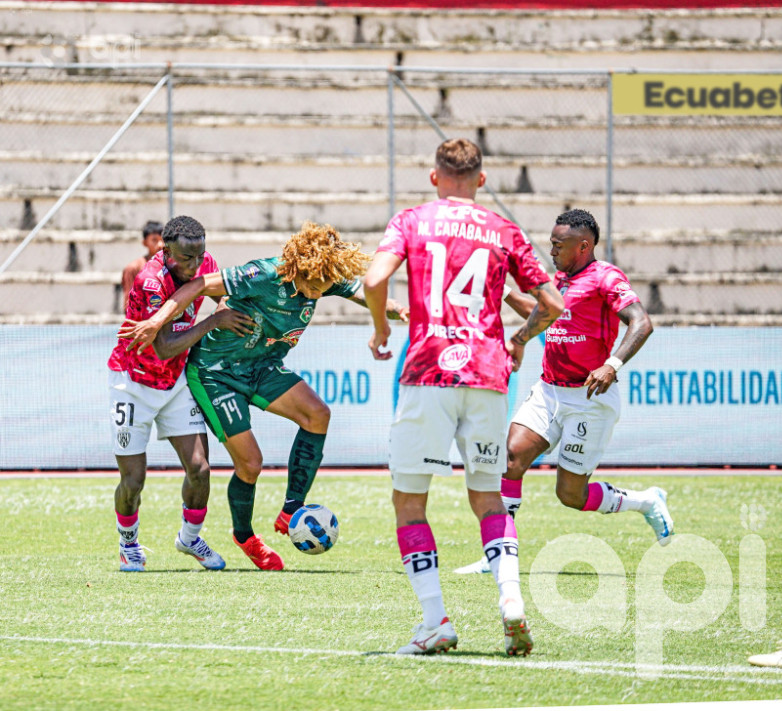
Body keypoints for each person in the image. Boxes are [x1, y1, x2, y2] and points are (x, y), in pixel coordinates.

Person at [362, 138, 564, 656]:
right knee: (488, 498)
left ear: (434, 177)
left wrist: (381, 327)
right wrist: (518, 342)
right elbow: (552, 303)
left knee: (410, 501)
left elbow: (374, 277)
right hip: (487, 374)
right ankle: (511, 601)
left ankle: (435, 621)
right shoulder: (502, 229)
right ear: (482, 178)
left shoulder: (411, 220)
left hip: (429, 371)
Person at [119, 221, 409, 572]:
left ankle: (291, 510)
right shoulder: (263, 273)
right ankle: (245, 536)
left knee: (318, 414)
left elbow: (365, 292)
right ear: (299, 269)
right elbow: (197, 285)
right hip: (217, 372)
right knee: (251, 464)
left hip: (262, 365)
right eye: (312, 285)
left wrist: (396, 309)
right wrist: (157, 321)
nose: (317, 293)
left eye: (324, 287)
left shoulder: (324, 276)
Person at [455, 208, 674, 577]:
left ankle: (645, 501)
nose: (552, 249)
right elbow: (546, 313)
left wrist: (612, 364)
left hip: (589, 399)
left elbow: (642, 322)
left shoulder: (606, 277)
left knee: (570, 495)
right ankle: (498, 556)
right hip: (549, 391)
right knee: (508, 461)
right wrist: (504, 291)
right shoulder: (560, 280)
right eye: (551, 243)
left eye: (559, 244)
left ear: (584, 246)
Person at [109, 215, 254, 572]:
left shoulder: (205, 263)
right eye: (186, 259)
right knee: (134, 479)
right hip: (133, 382)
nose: (195, 265)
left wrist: (223, 311)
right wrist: (214, 322)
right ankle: (129, 545)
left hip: (175, 384)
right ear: (165, 250)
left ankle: (189, 539)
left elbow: (222, 297)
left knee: (200, 469)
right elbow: (165, 346)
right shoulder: (149, 281)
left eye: (199, 256)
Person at [121, 220, 164, 310]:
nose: (160, 245)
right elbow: (128, 304)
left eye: (162, 240)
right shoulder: (133, 268)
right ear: (145, 243)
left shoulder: (171, 267)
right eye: (154, 240)